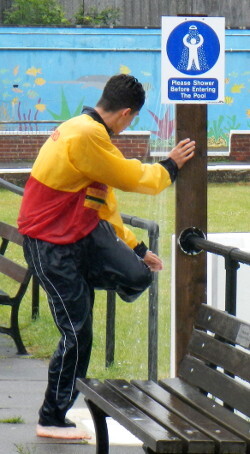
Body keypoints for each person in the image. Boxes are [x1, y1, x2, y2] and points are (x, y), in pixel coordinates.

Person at [17, 74, 195, 440]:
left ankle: (92, 285)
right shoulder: (87, 135)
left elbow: (104, 206)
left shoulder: (85, 129)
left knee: (136, 276)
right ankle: (51, 418)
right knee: (78, 333)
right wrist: (171, 166)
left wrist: (137, 249)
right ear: (127, 113)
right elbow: (133, 177)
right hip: (49, 245)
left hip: (75, 237)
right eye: (132, 120)